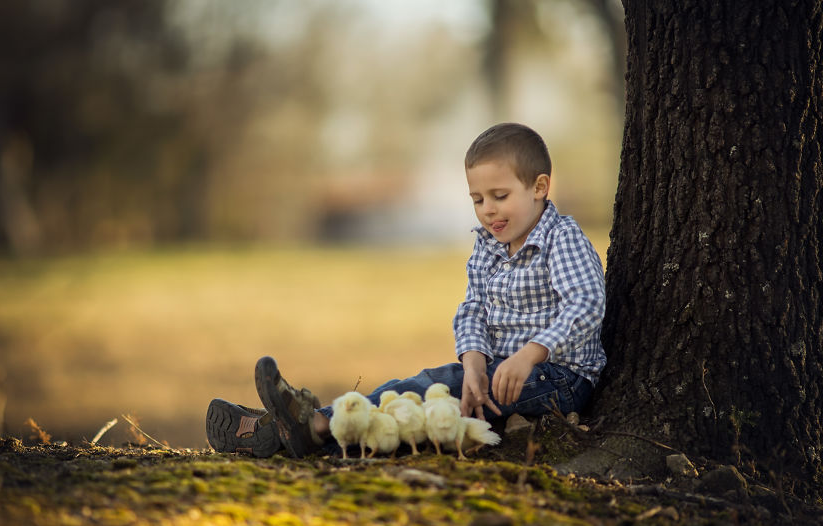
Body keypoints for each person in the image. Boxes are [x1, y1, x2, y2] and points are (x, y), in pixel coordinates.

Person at [205, 122, 606, 458]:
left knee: (428, 387)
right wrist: (474, 364)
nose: (488, 210)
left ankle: (316, 420)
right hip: (498, 369)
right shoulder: (488, 246)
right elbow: (472, 310)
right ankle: (295, 435)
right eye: (478, 199)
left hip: (560, 377)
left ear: (539, 188)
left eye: (500, 197)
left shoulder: (561, 237)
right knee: (417, 407)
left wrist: (526, 357)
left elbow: (585, 303)